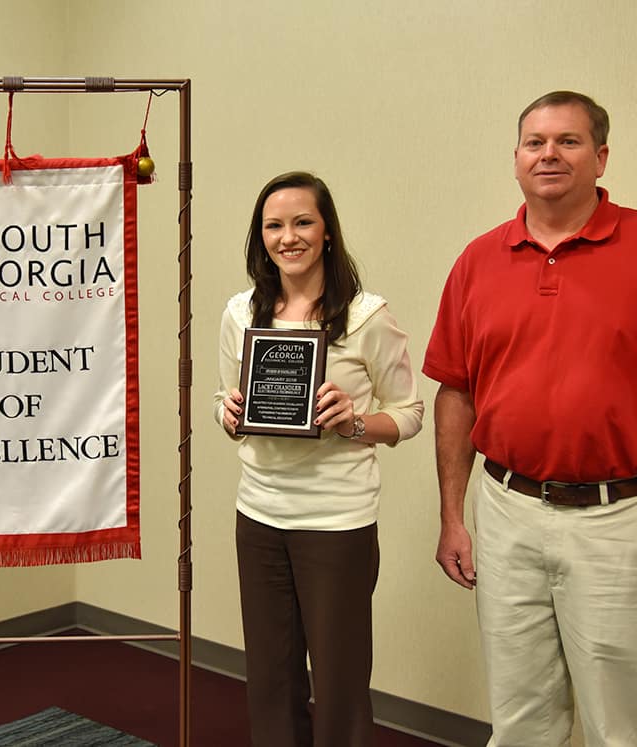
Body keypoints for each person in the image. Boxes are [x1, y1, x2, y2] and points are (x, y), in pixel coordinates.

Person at [424, 91, 637, 746]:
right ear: (515, 159)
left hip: (619, 519)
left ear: (600, 157)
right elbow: (454, 394)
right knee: (518, 720)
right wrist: (453, 516)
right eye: (535, 142)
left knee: (616, 725)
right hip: (507, 512)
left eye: (567, 141)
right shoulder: (479, 260)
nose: (549, 154)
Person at [215, 171, 424, 747]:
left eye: (302, 222)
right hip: (258, 515)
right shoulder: (241, 313)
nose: (288, 237)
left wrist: (354, 421)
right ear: (260, 237)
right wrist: (229, 413)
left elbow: (408, 412)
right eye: (274, 225)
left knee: (338, 681)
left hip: (337, 523)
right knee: (269, 677)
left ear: (327, 231)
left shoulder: (365, 316)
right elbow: (220, 400)